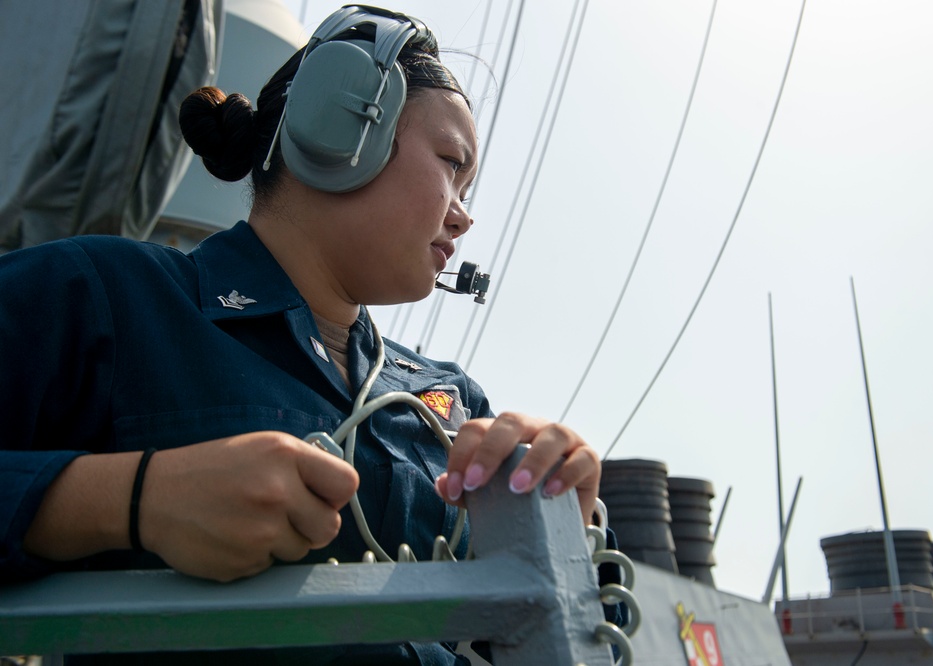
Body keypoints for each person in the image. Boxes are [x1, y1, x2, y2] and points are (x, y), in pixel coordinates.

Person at [0, 4, 612, 664]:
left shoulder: (455, 400)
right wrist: (132, 497)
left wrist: (565, 527)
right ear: (339, 123)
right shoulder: (108, 296)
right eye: (452, 164)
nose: (464, 218)